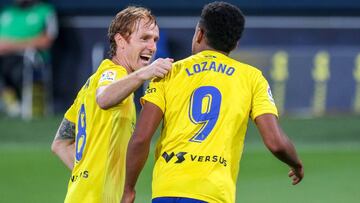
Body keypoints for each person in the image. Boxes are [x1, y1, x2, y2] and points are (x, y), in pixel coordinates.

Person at [122, 2, 304, 203]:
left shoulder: (167, 72)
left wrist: (129, 189)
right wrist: (296, 164)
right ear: (235, 44)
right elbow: (275, 142)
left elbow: (140, 138)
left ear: (199, 34)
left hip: (166, 191)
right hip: (212, 193)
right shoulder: (252, 78)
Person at [51, 6, 172, 203]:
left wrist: (91, 176)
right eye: (144, 38)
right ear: (120, 41)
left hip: (83, 195)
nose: (152, 47)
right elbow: (104, 98)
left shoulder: (90, 85)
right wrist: (146, 73)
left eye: (155, 40)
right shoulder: (113, 73)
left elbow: (60, 144)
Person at [0, 0, 58, 116]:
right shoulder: (6, 12)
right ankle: (10, 99)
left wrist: (13, 46)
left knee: (20, 68)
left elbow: (46, 41)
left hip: (31, 59)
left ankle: (18, 102)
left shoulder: (46, 11)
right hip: (4, 57)